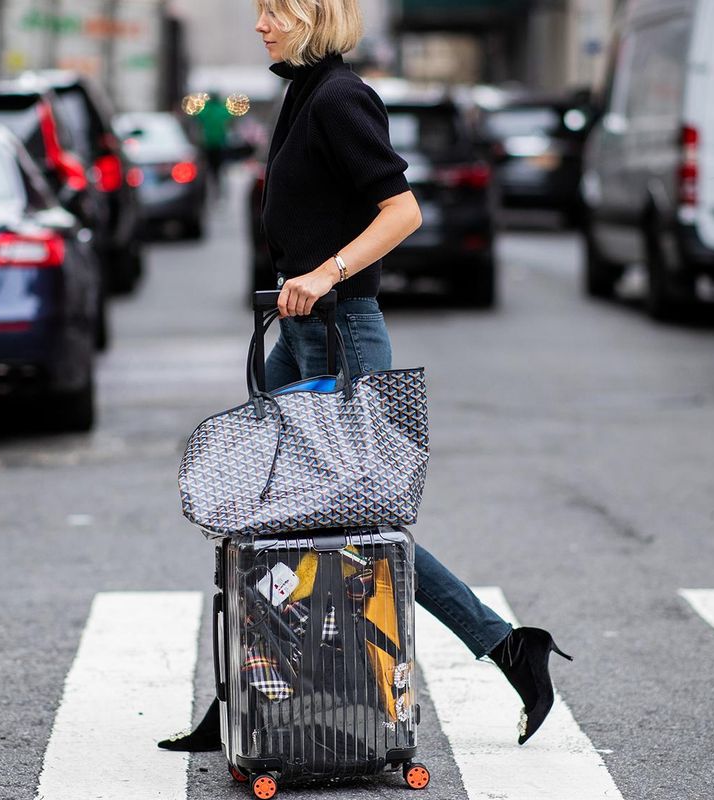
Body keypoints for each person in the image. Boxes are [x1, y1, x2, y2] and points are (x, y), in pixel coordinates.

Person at [160, 0, 571, 753]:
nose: (261, 24)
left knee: (360, 526)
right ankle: (240, 697)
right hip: (303, 329)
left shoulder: (341, 98)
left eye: (274, 10)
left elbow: (401, 211)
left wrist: (326, 272)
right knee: (259, 503)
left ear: (311, 16)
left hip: (339, 331)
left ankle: (507, 646)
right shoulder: (303, 93)